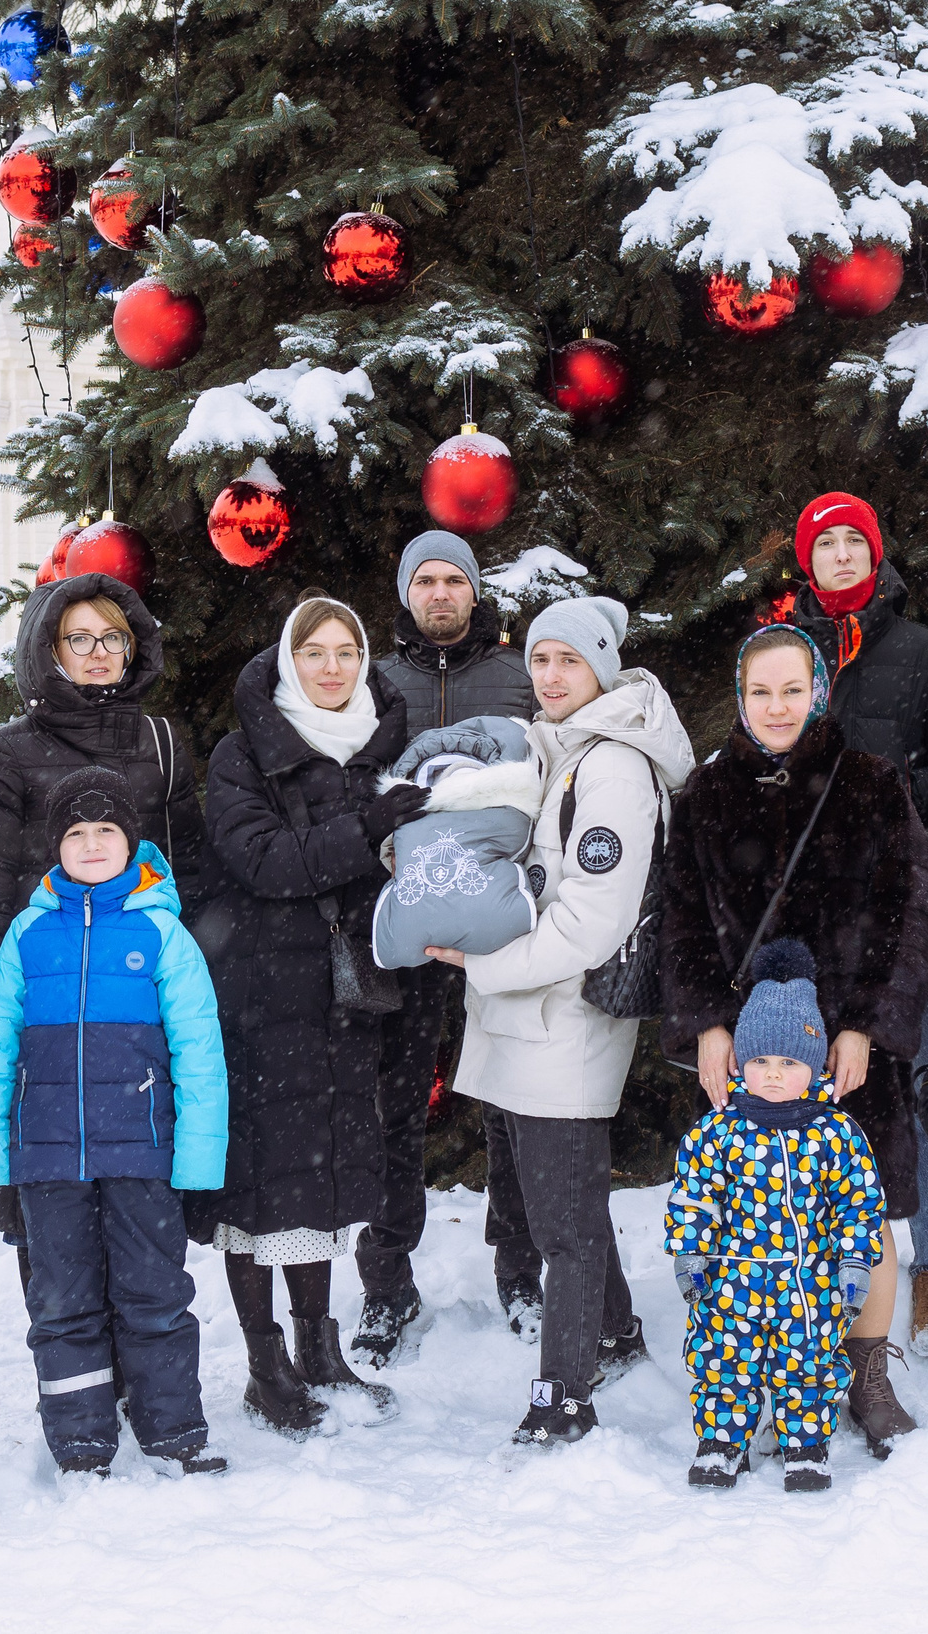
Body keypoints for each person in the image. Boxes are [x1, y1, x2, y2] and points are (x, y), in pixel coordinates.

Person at [659, 622, 928, 1458]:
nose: (775, 707)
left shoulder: (874, 785)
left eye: (790, 689)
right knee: (755, 1221)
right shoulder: (705, 797)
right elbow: (680, 926)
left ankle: (866, 1375)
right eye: (759, 692)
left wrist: (868, 1028)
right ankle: (763, 1374)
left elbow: (911, 913)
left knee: (865, 1212)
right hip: (754, 1052)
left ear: (818, 690)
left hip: (851, 1051)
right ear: (739, 700)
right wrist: (707, 1023)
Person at [427, 595, 694, 1447]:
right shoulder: (562, 752)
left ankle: (564, 1397)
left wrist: (486, 966)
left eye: (568, 662)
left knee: (564, 1229)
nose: (548, 678)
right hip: (526, 1024)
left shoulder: (612, 768)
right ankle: (613, 1335)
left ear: (602, 670)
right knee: (565, 1210)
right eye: (540, 660)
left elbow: (591, 921)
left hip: (561, 1028)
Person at [190, 595, 422, 1438]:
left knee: (319, 1181)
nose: (332, 668)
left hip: (342, 996)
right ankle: (264, 1366)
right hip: (258, 998)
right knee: (258, 1190)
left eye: (347, 652)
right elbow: (261, 861)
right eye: (315, 652)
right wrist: (367, 830)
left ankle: (320, 1350)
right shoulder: (243, 752)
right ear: (289, 662)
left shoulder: (382, 746)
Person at [0, 767, 230, 1477]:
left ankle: (173, 1432)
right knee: (62, 1301)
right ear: (55, 846)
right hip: (49, 1156)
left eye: (106, 829)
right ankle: (79, 1438)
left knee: (155, 1294)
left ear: (131, 839)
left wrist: (197, 1159)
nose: (91, 843)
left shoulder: (160, 932)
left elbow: (198, 1050)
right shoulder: (28, 934)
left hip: (141, 1151)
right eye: (75, 833)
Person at [0, 571, 218, 1287]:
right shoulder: (6, 756)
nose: (99, 652)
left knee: (137, 1203)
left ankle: (138, 1371)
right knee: (49, 1215)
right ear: (48, 648)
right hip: (46, 1022)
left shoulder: (161, 743)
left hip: (137, 1017)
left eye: (114, 637)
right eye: (80, 638)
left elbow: (189, 880)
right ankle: (74, 1370)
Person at [777, 492, 928, 1357]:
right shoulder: (784, 652)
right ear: (807, 561)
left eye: (857, 541)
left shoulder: (926, 653)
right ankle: (833, 1267)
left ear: (877, 552)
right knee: (821, 1105)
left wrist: (873, 806)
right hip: (807, 929)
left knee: (915, 1095)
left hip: (900, 916)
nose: (843, 557)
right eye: (828, 545)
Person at [362, 530, 542, 1361]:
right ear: (407, 594)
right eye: (425, 581)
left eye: (453, 581)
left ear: (475, 592)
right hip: (410, 920)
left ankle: (520, 1270)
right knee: (393, 1102)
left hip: (502, 920)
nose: (440, 594)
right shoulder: (376, 682)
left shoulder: (518, 678)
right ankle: (386, 1282)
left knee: (513, 1097)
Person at [667, 942, 887, 1494]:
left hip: (808, 1282)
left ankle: (805, 1445)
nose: (771, 1074)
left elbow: (858, 1202)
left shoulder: (836, 1134)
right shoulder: (719, 1130)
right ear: (741, 1061)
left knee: (808, 1363)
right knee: (725, 1362)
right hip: (733, 1282)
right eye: (761, 1060)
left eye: (788, 1063)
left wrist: (858, 1260)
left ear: (813, 1067)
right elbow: (695, 1193)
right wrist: (690, 1248)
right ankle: (722, 1442)